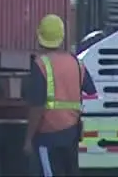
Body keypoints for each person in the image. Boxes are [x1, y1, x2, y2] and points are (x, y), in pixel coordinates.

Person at [22, 14, 96, 176]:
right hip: (71, 135)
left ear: (40, 37)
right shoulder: (76, 63)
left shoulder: (40, 66)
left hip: (48, 137)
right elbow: (91, 90)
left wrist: (28, 139)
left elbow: (37, 107)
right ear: (62, 37)